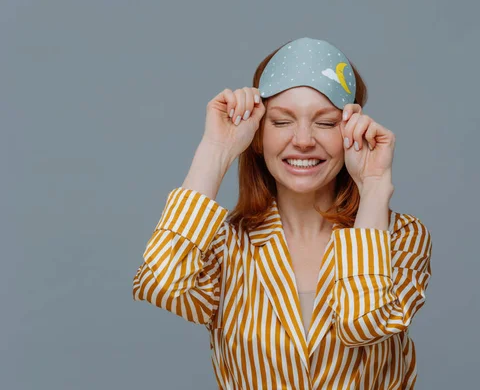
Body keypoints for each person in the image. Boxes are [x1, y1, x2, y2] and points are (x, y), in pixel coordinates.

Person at [132, 37, 432, 389]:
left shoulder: (400, 237)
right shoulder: (226, 245)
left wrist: (375, 185)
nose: (303, 140)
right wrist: (216, 149)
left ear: (352, 130)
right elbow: (160, 284)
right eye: (281, 122)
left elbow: (362, 324)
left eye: (325, 123)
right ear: (258, 136)